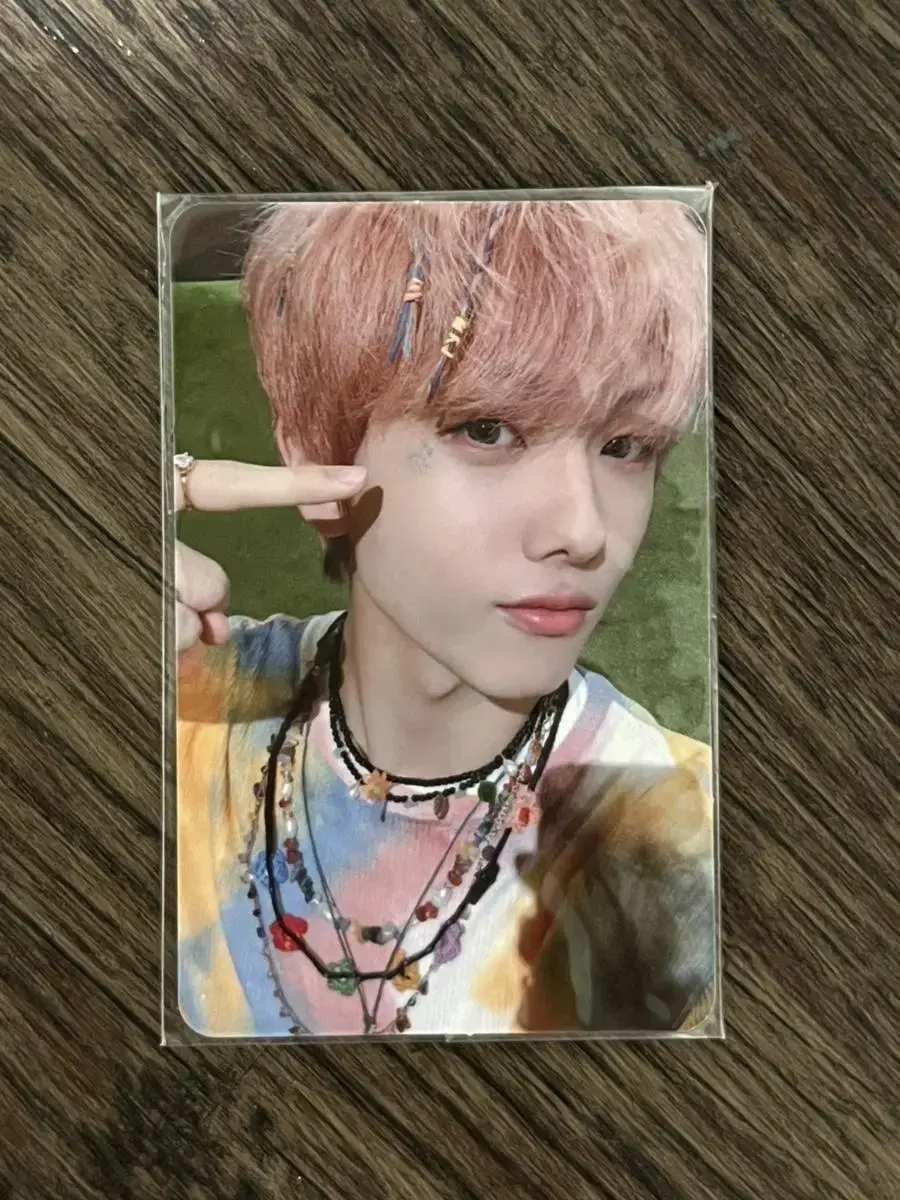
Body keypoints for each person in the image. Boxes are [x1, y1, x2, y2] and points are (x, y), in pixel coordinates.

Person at [174, 198, 717, 1039]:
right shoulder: (182, 702)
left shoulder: (686, 836)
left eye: (624, 446)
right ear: (315, 452)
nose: (583, 531)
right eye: (488, 429)